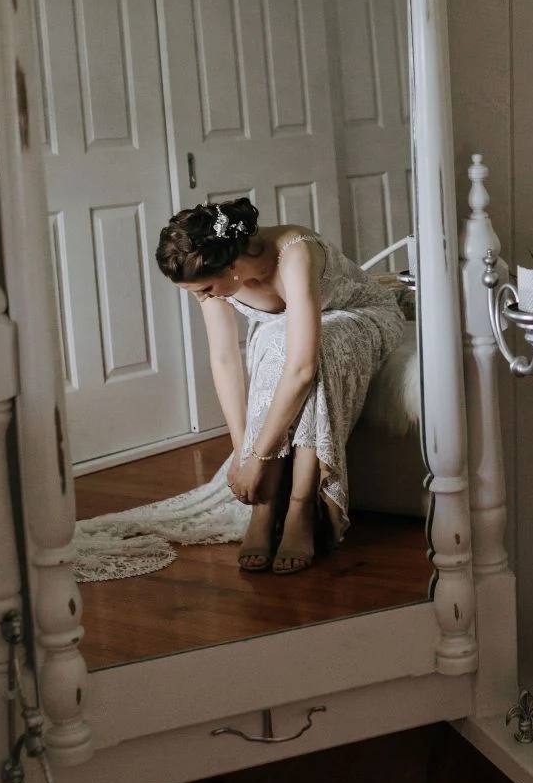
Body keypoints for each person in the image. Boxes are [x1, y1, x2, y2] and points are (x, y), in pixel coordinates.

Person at [70, 198, 405, 581]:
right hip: (289, 327)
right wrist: (242, 450)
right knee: (274, 343)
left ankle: (301, 506)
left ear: (232, 266)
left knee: (318, 352)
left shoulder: (295, 254)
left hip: (361, 315)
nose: (202, 297)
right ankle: (265, 508)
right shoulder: (210, 272)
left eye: (205, 289)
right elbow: (225, 358)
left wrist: (258, 458)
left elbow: (302, 369)